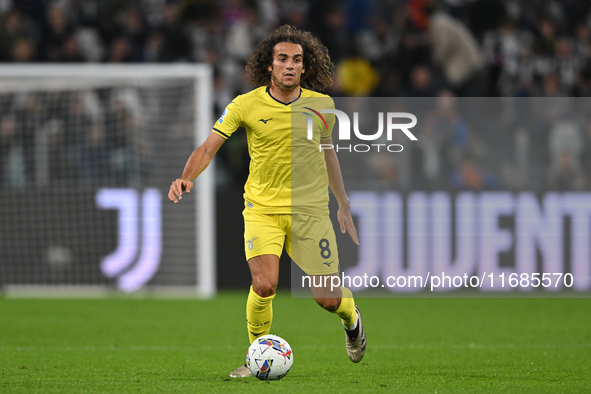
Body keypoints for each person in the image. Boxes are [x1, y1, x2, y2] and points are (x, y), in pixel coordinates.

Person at [168, 25, 366, 377]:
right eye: (282, 59)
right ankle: (253, 359)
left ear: (305, 68)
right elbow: (208, 147)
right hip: (262, 210)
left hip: (311, 212)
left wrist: (343, 203)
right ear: (269, 66)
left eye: (297, 60)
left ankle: (352, 319)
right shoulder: (245, 104)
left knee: (328, 300)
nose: (290, 65)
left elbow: (328, 154)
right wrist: (186, 176)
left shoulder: (322, 105)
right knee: (264, 284)